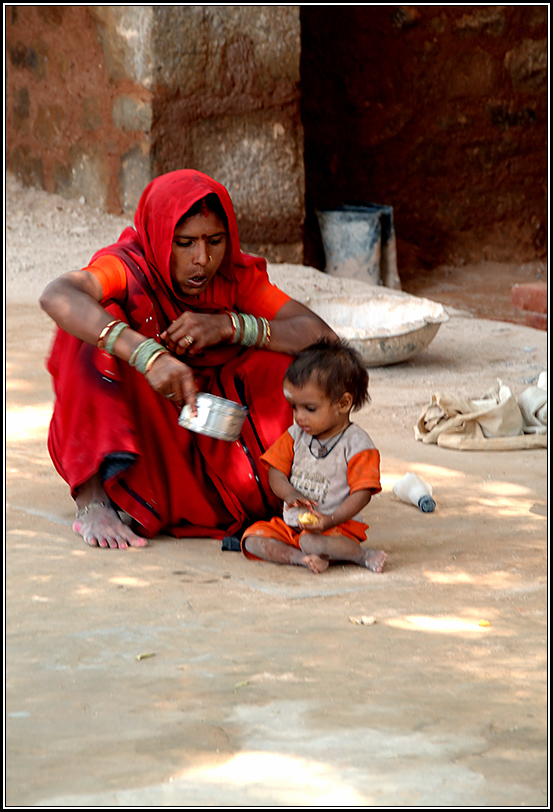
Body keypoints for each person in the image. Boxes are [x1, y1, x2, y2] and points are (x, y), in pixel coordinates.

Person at [39, 169, 336, 549]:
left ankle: (257, 491)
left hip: (211, 424)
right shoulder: (129, 267)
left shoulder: (234, 278)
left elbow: (322, 336)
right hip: (145, 418)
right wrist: (147, 354)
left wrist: (231, 326)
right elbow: (57, 295)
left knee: (288, 364)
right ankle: (93, 500)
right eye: (184, 243)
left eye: (215, 240)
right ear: (161, 237)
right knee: (85, 337)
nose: (203, 259)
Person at [241, 338, 386, 573]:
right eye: (294, 407)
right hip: (293, 526)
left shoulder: (357, 444)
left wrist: (329, 520)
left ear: (343, 403)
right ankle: (302, 559)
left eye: (309, 409)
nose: (299, 417)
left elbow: (362, 494)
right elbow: (276, 472)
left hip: (337, 528)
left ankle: (362, 555)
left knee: (312, 541)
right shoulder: (295, 435)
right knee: (251, 539)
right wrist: (289, 493)